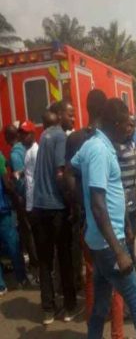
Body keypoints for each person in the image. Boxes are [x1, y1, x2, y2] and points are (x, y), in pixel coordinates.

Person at [70, 98, 136, 339]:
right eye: (126, 123)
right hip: (109, 244)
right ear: (116, 124)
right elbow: (98, 204)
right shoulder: (98, 150)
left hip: (102, 239)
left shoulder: (94, 144)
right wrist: (119, 251)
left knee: (100, 303)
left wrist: (125, 222)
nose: (128, 129)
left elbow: (72, 170)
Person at [32, 100, 78, 324]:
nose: (73, 118)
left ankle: (48, 309)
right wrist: (72, 201)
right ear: (59, 115)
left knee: (45, 261)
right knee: (65, 258)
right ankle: (69, 307)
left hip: (39, 207)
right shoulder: (61, 136)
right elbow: (60, 174)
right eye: (70, 114)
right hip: (56, 209)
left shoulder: (45, 135)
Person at [5, 124, 39, 271]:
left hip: (25, 198)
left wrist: (20, 195)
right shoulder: (25, 148)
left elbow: (20, 182)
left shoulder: (14, 154)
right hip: (32, 196)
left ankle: (35, 261)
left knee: (27, 230)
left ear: (7, 138)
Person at [0, 137, 31, 296]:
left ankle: (1, 285)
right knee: (13, 243)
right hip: (2, 209)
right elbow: (6, 183)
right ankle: (21, 278)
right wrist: (16, 194)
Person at [115, 115, 136, 274]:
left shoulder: (132, 142)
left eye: (133, 125)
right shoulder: (115, 147)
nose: (130, 129)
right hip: (123, 200)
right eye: (128, 125)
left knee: (132, 238)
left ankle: (133, 271)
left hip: (135, 199)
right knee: (126, 238)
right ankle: (129, 273)